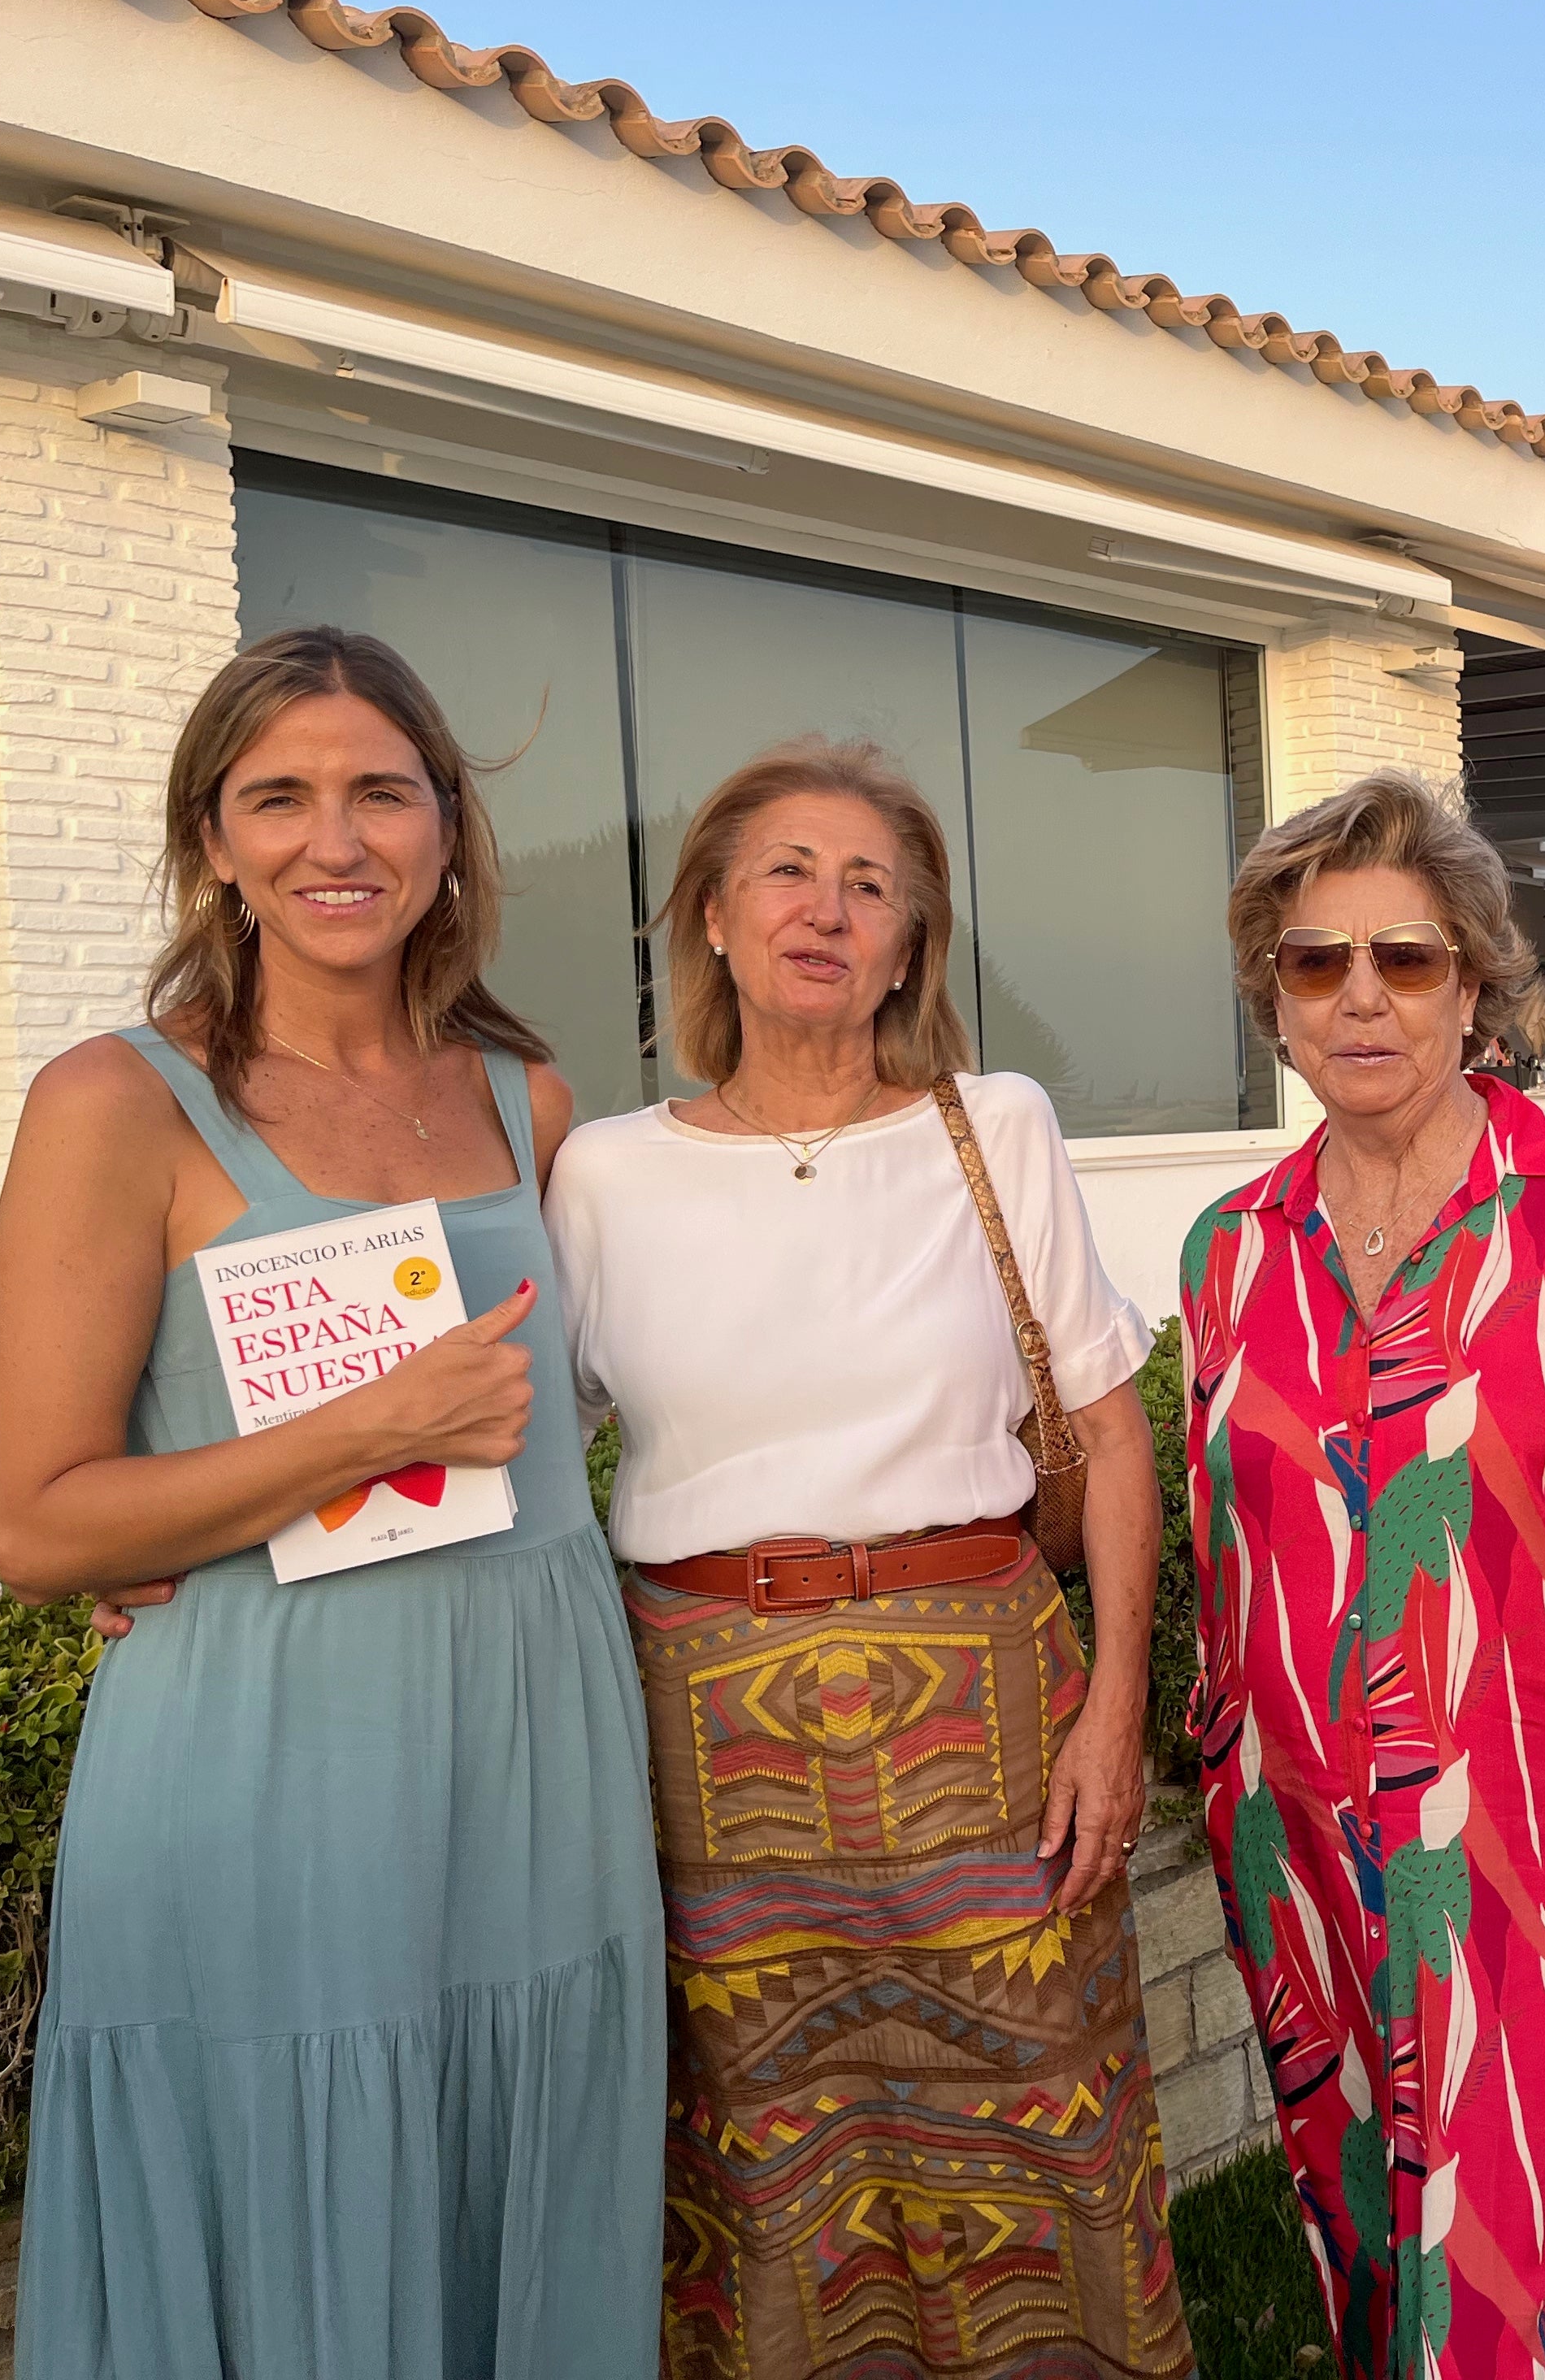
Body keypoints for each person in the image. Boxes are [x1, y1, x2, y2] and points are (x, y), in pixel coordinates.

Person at [0, 628, 666, 2374]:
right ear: (213, 839)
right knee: (294, 2179)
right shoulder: (117, 1104)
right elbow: (49, 1524)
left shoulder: (532, 1097)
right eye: (276, 797)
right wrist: (358, 1433)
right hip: (270, 1755)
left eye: (380, 789)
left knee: (514, 2175)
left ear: (448, 828)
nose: (333, 838)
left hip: (533, 1749)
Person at [542, 739, 1190, 2378]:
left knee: (1045, 2121)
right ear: (706, 916)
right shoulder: (608, 1174)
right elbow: (520, 1458)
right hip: (711, 1750)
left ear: (909, 947)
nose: (824, 910)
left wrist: (1115, 1712)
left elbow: (1114, 1439)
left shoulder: (997, 1127)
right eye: (785, 871)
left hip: (991, 1724)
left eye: (870, 886)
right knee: (764, 2156)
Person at [1178, 772, 1545, 2378]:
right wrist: (1229, 1747)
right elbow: (1230, 1549)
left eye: (1406, 959)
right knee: (1361, 2253)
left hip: (1512, 1851)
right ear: (1275, 996)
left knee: (1517, 2280)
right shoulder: (1228, 1249)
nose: (1360, 996)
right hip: (1292, 1854)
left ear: (1475, 984)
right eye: (1316, 963)